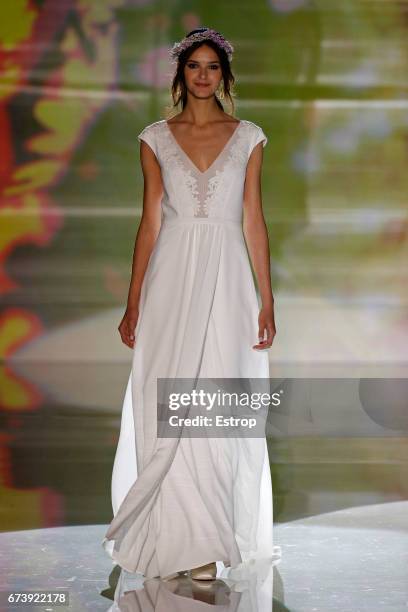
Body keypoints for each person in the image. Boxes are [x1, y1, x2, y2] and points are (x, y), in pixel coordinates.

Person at [102, 27, 280, 582]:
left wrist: (266, 299)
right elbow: (150, 222)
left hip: (228, 278)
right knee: (167, 399)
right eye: (193, 66)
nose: (202, 75)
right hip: (171, 280)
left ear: (223, 77)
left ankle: (207, 535)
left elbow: (252, 218)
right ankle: (175, 538)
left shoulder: (248, 135)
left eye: (212, 67)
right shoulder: (154, 137)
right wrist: (133, 304)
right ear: (181, 75)